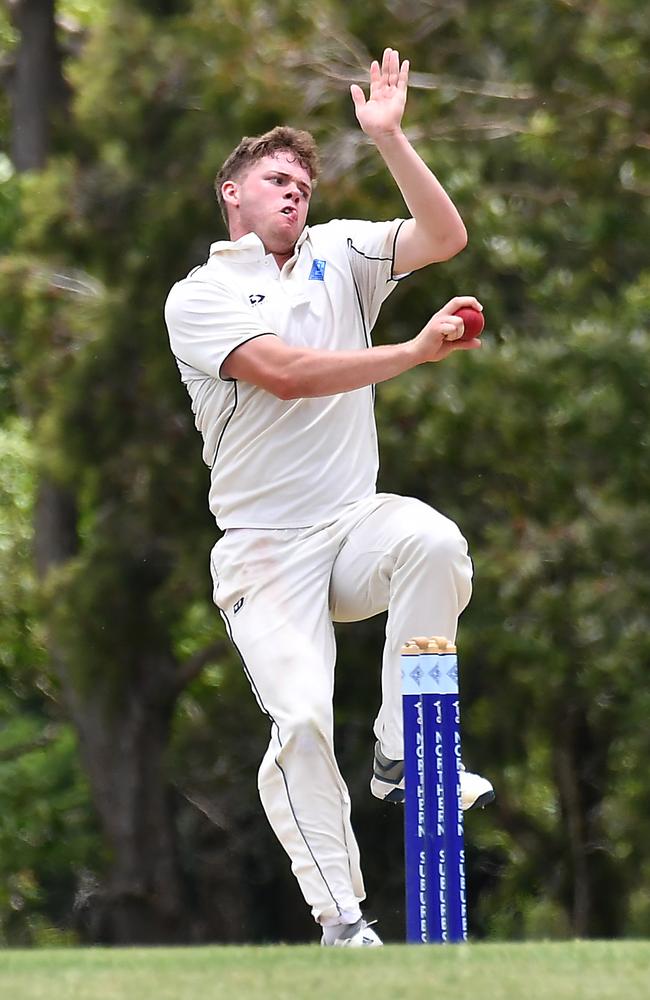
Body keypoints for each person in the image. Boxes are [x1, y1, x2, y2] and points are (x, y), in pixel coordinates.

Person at [164, 47, 494, 948]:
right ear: (232, 193)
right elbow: (289, 374)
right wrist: (414, 355)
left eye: (303, 183)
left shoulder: (340, 250)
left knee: (431, 540)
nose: (293, 193)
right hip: (264, 551)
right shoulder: (200, 297)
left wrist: (389, 140)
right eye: (276, 179)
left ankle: (400, 750)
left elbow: (442, 236)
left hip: (352, 524)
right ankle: (343, 922)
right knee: (303, 718)